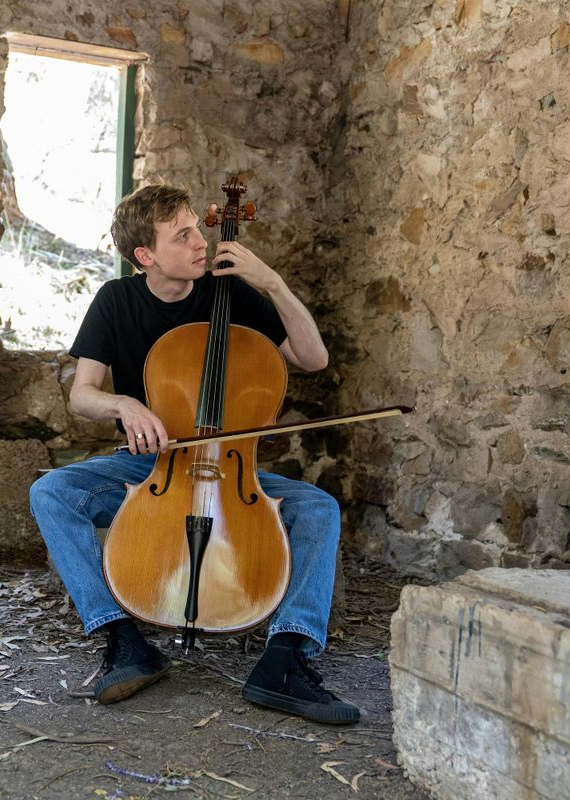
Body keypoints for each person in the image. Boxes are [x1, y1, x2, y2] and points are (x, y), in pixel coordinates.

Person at [29, 183, 359, 725]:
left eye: (198, 229)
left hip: (234, 471)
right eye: (182, 235)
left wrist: (271, 283)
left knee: (318, 508)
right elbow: (82, 394)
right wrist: (127, 406)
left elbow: (313, 357)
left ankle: (287, 655)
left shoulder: (234, 294)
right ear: (146, 256)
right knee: (52, 492)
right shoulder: (117, 301)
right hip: (151, 466)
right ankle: (120, 637)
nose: (200, 243)